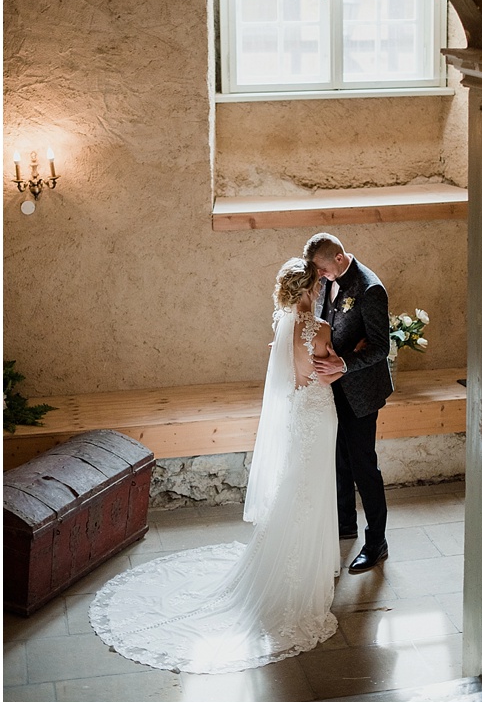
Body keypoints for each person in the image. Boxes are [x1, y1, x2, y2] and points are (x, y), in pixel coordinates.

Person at [89, 258, 342, 674]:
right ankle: (299, 576)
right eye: (318, 286)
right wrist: (338, 365)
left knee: (294, 488)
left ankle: (283, 561)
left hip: (299, 415)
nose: (320, 291)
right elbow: (328, 374)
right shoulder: (321, 331)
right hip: (318, 412)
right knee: (311, 490)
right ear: (311, 289)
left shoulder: (281, 327)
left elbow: (289, 373)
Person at [303, 233, 392, 573]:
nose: (321, 276)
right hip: (334, 388)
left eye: (323, 269)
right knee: (338, 459)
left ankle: (376, 541)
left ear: (339, 258)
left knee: (363, 466)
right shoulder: (329, 279)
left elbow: (381, 347)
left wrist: (344, 364)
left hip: (361, 392)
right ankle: (345, 524)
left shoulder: (370, 289)